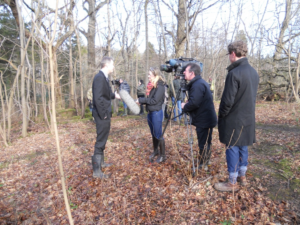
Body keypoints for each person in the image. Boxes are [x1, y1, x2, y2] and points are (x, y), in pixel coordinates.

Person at [214, 40, 259, 192]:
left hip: (234, 119)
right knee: (243, 146)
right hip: (248, 118)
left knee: (232, 147)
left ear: (233, 54)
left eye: (229, 54)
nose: (229, 57)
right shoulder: (253, 72)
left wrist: (222, 116)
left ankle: (232, 182)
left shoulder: (234, 73)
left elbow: (227, 101)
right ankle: (242, 177)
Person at [181, 63, 217, 171]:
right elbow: (197, 100)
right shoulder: (199, 83)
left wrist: (185, 106)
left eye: (185, 71)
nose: (183, 72)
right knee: (206, 141)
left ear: (192, 73)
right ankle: (205, 161)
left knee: (203, 142)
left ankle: (202, 164)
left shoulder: (197, 85)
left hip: (204, 119)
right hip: (206, 117)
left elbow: (194, 103)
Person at [91, 56, 120, 179]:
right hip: (102, 115)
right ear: (106, 65)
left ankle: (101, 163)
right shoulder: (99, 78)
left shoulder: (104, 78)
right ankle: (96, 171)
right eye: (112, 64)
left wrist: (115, 95)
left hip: (105, 114)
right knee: (100, 140)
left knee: (103, 138)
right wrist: (103, 114)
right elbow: (97, 98)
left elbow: (105, 94)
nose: (113, 67)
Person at [138, 67, 166, 163]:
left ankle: (163, 155)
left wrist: (141, 100)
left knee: (158, 134)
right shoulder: (151, 86)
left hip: (156, 113)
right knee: (153, 134)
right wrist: (141, 102)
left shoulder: (160, 86)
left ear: (155, 75)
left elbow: (154, 100)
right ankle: (156, 151)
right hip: (150, 113)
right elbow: (150, 100)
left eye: (150, 74)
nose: (148, 76)